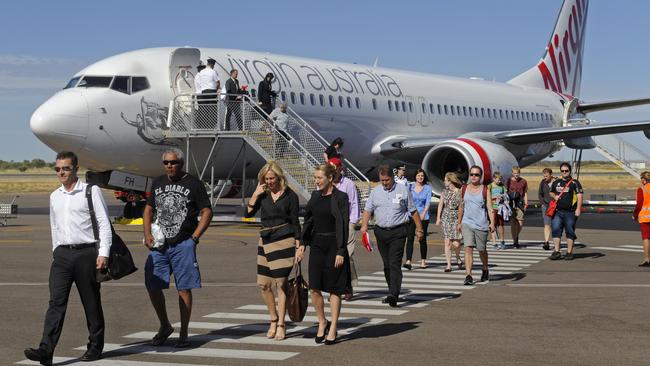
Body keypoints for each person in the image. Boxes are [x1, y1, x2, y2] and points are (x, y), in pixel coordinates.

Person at [24, 151, 112, 365]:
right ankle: (46, 350)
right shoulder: (55, 196)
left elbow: (104, 223)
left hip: (86, 253)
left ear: (76, 169)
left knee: (90, 302)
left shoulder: (91, 191)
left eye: (65, 168)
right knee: (56, 302)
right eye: (57, 169)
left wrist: (104, 253)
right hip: (62, 256)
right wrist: (56, 249)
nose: (61, 172)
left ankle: (95, 346)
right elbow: (54, 225)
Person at [143, 148, 213, 348]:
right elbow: (148, 208)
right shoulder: (158, 182)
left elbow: (207, 210)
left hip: (183, 244)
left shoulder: (193, 183)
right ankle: (165, 325)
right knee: (152, 284)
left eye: (173, 163)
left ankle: (183, 332)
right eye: (166, 163)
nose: (169, 166)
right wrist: (146, 233)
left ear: (181, 164)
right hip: (160, 245)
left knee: (184, 288)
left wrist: (195, 238)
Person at [245, 162, 301, 341]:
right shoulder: (263, 194)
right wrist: (255, 194)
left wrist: (300, 245)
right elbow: (249, 214)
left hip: (284, 241)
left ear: (279, 177)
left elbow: (295, 221)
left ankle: (281, 324)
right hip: (265, 240)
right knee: (263, 284)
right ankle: (273, 318)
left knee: (281, 283)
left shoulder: (290, 195)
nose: (269, 182)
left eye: (271, 178)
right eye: (266, 179)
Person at [296, 163, 350, 345]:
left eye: (319, 178)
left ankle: (333, 326)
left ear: (330, 178)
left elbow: (342, 224)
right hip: (318, 244)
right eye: (315, 177)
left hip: (335, 245)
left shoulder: (340, 197)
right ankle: (322, 321)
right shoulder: (315, 196)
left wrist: (342, 250)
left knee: (335, 288)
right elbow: (308, 220)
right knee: (314, 287)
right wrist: (303, 243)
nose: (316, 181)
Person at [360, 165, 423, 307]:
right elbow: (368, 209)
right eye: (382, 180)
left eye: (386, 180)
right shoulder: (376, 192)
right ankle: (391, 290)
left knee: (394, 263)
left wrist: (419, 228)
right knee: (387, 264)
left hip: (398, 231)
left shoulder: (403, 190)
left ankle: (394, 294)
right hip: (381, 232)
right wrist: (364, 226)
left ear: (392, 178)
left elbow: (412, 211)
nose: (384, 183)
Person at [457, 165, 495, 285]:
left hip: (481, 224)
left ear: (480, 176)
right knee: (468, 248)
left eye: (476, 175)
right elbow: (461, 207)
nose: (474, 177)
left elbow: (490, 208)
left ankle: (485, 268)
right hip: (467, 223)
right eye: (472, 174)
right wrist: (459, 223)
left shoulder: (485, 190)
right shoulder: (463, 189)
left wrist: (492, 223)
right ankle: (468, 275)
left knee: (481, 250)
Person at [330, 157, 360, 300]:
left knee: (347, 256)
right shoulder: (325, 183)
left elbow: (354, 203)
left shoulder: (348, 184)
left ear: (339, 169)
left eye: (334, 168)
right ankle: (335, 289)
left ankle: (348, 287)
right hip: (330, 224)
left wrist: (353, 222)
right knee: (332, 258)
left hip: (346, 223)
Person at [549, 162, 583, 261]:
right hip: (557, 211)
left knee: (570, 231)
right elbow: (551, 192)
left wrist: (578, 209)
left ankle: (569, 252)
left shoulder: (574, 182)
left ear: (569, 171)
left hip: (570, 212)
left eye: (566, 170)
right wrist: (554, 196)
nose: (564, 172)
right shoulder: (556, 182)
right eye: (562, 171)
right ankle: (557, 251)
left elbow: (580, 196)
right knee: (555, 230)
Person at [436, 172, 464, 272]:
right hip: (446, 217)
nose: (444, 182)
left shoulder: (459, 192)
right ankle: (448, 265)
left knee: (456, 243)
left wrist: (460, 221)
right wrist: (438, 218)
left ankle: (458, 257)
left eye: (446, 180)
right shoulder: (444, 192)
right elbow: (440, 205)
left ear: (451, 181)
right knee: (447, 242)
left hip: (456, 217)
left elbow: (461, 207)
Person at [404, 169, 432, 269]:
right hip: (411, 215)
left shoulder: (428, 188)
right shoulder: (410, 186)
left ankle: (423, 261)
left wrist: (424, 213)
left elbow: (428, 202)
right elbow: (406, 199)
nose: (420, 177)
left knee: (422, 239)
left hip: (423, 216)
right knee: (410, 238)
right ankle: (408, 261)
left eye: (422, 176)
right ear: (415, 176)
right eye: (419, 175)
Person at [506, 166, 528, 248]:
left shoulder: (523, 181)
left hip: (520, 203)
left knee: (520, 222)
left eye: (517, 173)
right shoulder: (508, 181)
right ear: (512, 173)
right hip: (511, 203)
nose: (516, 175)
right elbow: (506, 192)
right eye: (515, 174)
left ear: (520, 173)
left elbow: (525, 193)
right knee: (513, 222)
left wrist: (526, 203)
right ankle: (515, 241)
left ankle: (516, 236)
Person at [196, 58, 220, 129]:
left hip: (203, 92)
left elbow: (200, 83)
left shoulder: (201, 72)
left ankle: (202, 126)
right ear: (212, 65)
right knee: (213, 110)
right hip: (212, 92)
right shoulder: (213, 71)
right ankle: (211, 126)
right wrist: (216, 90)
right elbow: (218, 82)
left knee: (204, 110)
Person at [634, 171, 650, 267]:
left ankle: (647, 259)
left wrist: (635, 215)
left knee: (646, 238)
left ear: (644, 180)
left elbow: (639, 204)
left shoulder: (641, 189)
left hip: (645, 217)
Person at [489, 172, 508, 250]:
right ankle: (494, 243)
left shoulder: (502, 186)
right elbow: (487, 197)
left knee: (501, 225)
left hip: (500, 208)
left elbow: (506, 195)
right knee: (492, 225)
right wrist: (494, 197)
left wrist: (503, 197)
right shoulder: (489, 186)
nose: (499, 181)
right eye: (498, 180)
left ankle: (502, 241)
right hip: (493, 208)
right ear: (494, 179)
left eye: (500, 180)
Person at [538, 168, 555, 250]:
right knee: (547, 224)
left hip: (555, 206)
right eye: (544, 176)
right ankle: (546, 242)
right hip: (546, 206)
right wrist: (543, 203)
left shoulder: (556, 182)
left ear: (551, 175)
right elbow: (540, 194)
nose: (545, 178)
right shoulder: (542, 182)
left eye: (546, 176)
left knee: (555, 224)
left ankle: (556, 241)